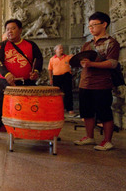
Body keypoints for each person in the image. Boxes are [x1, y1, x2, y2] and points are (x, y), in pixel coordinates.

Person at [0, 19, 43, 140]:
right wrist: (6, 74)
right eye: (7, 29)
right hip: (4, 82)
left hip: (26, 82)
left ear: (20, 30)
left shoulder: (30, 45)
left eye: (13, 28)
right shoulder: (1, 46)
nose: (10, 31)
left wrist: (36, 72)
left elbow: (39, 58)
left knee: (30, 107)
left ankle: (33, 132)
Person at [74, 12, 120, 151]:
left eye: (94, 25)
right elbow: (83, 62)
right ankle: (89, 137)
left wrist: (92, 64)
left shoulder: (111, 43)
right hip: (85, 82)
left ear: (104, 24)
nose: (91, 28)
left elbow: (112, 63)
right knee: (86, 112)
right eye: (89, 26)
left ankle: (107, 140)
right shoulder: (87, 44)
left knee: (104, 112)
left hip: (101, 83)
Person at [48, 44, 75, 115]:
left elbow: (74, 62)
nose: (61, 50)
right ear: (55, 50)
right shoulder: (52, 59)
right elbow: (50, 70)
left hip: (66, 76)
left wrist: (73, 57)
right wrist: (51, 79)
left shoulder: (67, 57)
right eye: (60, 48)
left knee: (68, 92)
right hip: (56, 77)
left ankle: (70, 108)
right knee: (57, 93)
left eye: (62, 48)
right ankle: (57, 108)